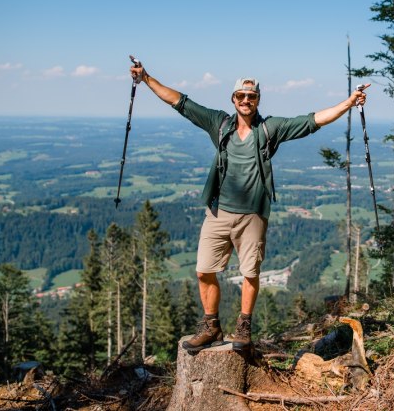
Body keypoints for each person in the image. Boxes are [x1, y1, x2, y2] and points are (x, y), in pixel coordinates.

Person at [129, 62, 369, 352]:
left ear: (257, 100)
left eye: (251, 96)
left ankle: (243, 327)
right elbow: (179, 102)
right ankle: (211, 327)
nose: (246, 100)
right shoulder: (219, 123)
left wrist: (349, 101)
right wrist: (146, 78)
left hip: (252, 215)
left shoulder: (270, 129)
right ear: (233, 99)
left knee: (250, 273)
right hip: (218, 212)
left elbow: (314, 120)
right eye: (241, 96)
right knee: (203, 270)